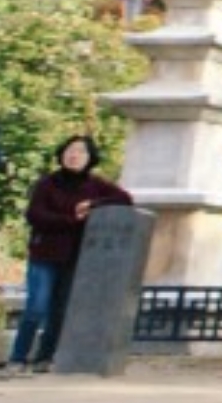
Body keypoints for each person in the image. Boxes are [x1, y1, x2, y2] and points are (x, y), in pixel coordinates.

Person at [9, 135, 133, 372]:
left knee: (59, 310)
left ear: (89, 158)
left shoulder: (95, 184)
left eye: (80, 152)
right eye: (70, 150)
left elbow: (124, 199)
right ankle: (17, 358)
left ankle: (44, 358)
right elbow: (35, 215)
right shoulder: (47, 183)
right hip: (44, 254)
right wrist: (71, 221)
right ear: (62, 154)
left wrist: (94, 205)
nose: (74, 155)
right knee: (36, 307)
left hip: (74, 256)